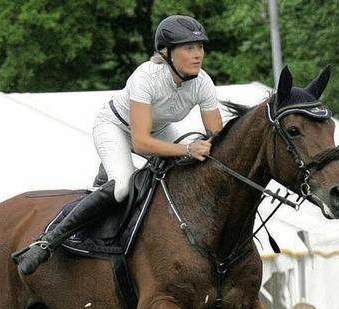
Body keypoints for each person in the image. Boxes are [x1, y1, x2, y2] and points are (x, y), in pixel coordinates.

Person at [17, 15, 223, 275]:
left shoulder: (203, 82)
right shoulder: (146, 77)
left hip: (157, 130)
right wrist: (187, 149)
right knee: (122, 187)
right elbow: (142, 142)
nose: (198, 55)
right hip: (116, 127)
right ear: (168, 53)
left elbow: (217, 135)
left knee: (188, 172)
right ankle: (46, 242)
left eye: (200, 47)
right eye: (189, 48)